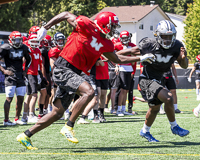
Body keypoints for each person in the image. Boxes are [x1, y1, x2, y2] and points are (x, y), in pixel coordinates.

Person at [16, 11, 154, 150]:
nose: (114, 30)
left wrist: (140, 58)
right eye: (112, 26)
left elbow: (117, 59)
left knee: (57, 112)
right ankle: (69, 126)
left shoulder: (106, 43)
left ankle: (26, 135)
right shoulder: (87, 25)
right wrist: (45, 27)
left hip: (74, 73)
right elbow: (65, 14)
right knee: (89, 92)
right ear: (105, 25)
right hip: (63, 67)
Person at [138, 20, 189, 142]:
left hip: (159, 79)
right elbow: (131, 52)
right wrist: (112, 56)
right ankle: (174, 126)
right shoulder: (149, 44)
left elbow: (184, 66)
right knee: (168, 98)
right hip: (146, 80)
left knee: (154, 108)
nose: (166, 39)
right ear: (157, 35)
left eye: (169, 36)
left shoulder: (177, 45)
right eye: (164, 36)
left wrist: (183, 58)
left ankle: (145, 131)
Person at [0, 31, 31, 125]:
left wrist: (25, 71)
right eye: (16, 40)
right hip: (10, 76)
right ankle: (6, 120)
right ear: (11, 40)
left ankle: (17, 119)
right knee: (9, 98)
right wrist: (4, 71)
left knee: (21, 98)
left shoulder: (24, 47)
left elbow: (29, 59)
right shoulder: (5, 48)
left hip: (20, 75)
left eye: (19, 40)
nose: (18, 42)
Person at [21, 34, 43, 123]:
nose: (35, 42)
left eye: (36, 41)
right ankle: (30, 115)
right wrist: (24, 73)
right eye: (33, 41)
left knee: (30, 94)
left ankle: (24, 116)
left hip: (34, 73)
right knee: (34, 94)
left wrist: (39, 74)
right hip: (29, 73)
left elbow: (39, 63)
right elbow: (24, 61)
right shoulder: (28, 50)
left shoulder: (38, 50)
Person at [114, 30, 137, 116]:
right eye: (123, 38)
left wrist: (133, 71)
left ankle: (123, 109)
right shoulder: (117, 46)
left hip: (129, 68)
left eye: (126, 38)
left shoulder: (132, 46)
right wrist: (116, 65)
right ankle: (119, 110)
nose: (124, 39)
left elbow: (134, 60)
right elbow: (112, 55)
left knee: (126, 90)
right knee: (122, 90)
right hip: (122, 68)